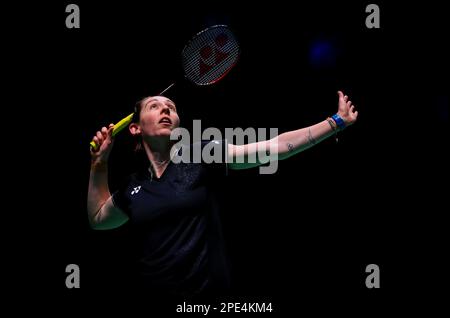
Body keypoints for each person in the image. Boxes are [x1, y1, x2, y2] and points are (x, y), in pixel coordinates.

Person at [87, 91, 358, 297]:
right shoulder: (133, 187)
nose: (166, 109)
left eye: (171, 107)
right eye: (154, 106)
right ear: (135, 128)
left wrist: (335, 122)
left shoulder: (202, 155)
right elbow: (99, 219)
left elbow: (276, 147)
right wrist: (99, 163)